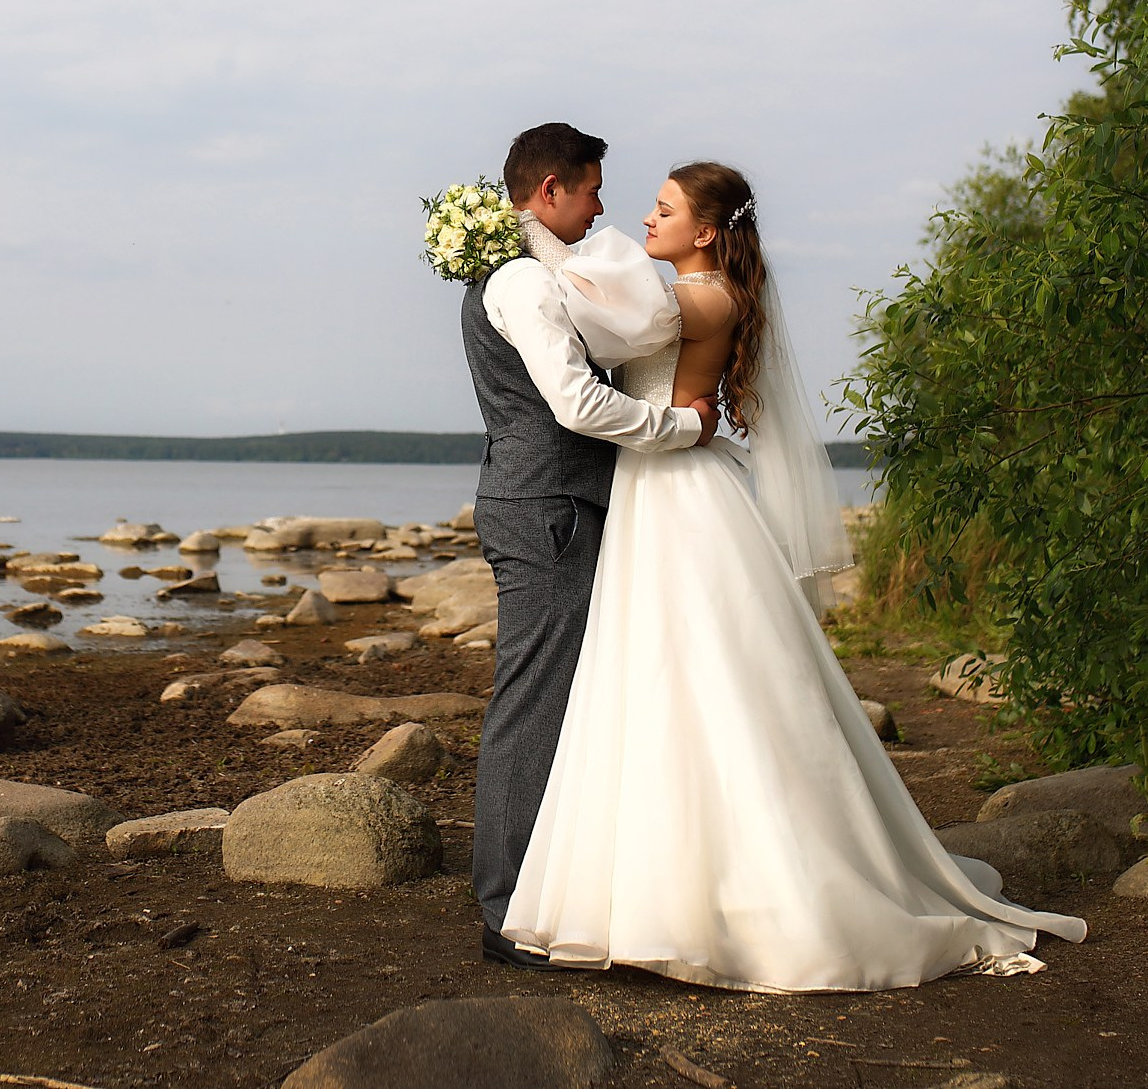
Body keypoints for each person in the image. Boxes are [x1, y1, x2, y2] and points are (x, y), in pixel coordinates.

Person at [499, 160, 1087, 989]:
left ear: (707, 231)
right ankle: (667, 885)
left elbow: (590, 319)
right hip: (655, 485)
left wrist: (518, 247)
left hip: (679, 493)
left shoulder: (700, 299)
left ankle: (743, 888)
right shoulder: (684, 294)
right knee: (660, 676)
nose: (646, 219)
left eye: (664, 209)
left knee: (703, 678)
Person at [460, 123, 716, 969]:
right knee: (534, 702)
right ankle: (505, 910)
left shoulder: (531, 271)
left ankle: (549, 887)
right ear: (550, 191)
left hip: (549, 501)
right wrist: (679, 428)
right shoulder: (520, 282)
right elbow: (575, 403)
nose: (602, 207)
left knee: (563, 700)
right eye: (592, 190)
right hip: (547, 510)